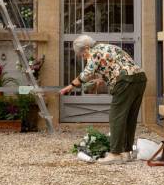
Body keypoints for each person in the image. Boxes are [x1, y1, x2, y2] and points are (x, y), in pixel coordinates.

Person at [60, 35, 147, 164]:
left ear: (87, 47)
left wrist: (71, 86)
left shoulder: (95, 51)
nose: (83, 57)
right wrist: (101, 79)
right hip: (139, 78)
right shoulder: (109, 47)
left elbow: (87, 73)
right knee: (129, 117)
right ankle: (126, 152)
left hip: (125, 81)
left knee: (116, 116)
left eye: (82, 54)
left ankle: (115, 154)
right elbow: (116, 65)